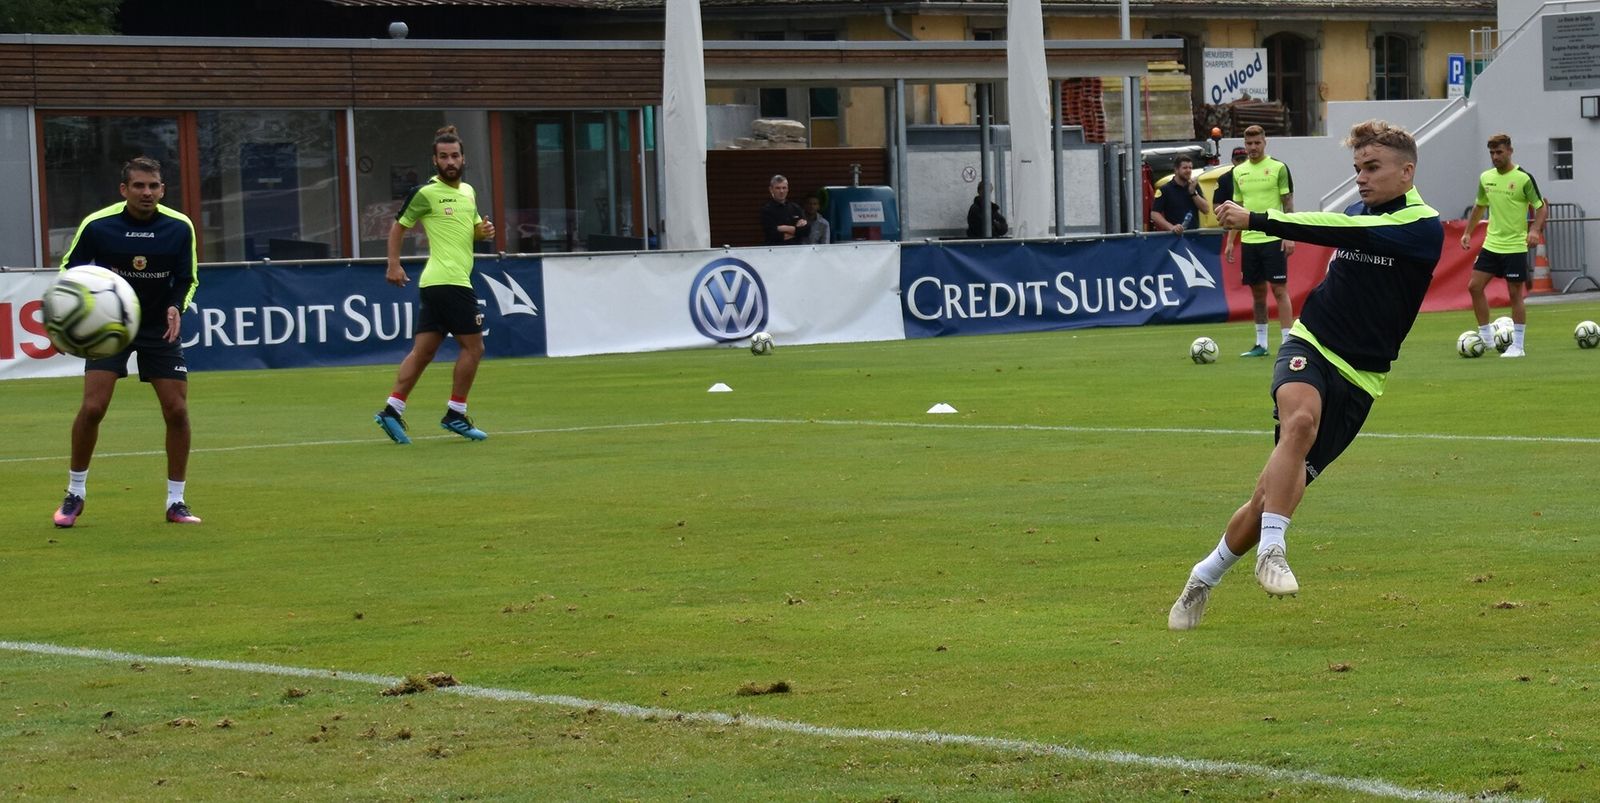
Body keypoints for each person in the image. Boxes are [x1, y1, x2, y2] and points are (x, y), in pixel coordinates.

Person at [1168, 119, 1444, 630]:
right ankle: (1273, 549)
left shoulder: (1421, 225)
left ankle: (1203, 576)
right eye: (1357, 168)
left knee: (1264, 496)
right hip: (1311, 341)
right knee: (1299, 424)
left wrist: (1257, 218)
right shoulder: (1363, 209)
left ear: (1407, 172)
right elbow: (1341, 227)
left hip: (1362, 377)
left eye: (1372, 168)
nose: (1361, 178)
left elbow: (1337, 229)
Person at [53, 156, 201, 527]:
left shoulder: (180, 227)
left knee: (178, 411)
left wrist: (175, 306)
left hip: (157, 328)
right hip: (110, 328)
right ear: (124, 189)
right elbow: (70, 273)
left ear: (162, 190)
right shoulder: (98, 225)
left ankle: (176, 501)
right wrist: (67, 323)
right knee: (92, 409)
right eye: (139, 186)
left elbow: (188, 278)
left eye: (153, 186)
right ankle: (74, 494)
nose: (147, 193)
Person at [374, 125, 497, 444]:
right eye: (443, 157)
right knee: (475, 347)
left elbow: (469, 231)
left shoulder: (468, 192)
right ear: (435, 160)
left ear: (463, 158)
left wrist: (481, 232)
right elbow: (398, 227)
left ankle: (391, 410)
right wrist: (394, 264)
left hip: (441, 283)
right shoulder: (425, 192)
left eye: (454, 155)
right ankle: (456, 413)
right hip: (449, 282)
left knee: (424, 351)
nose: (450, 161)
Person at [1461, 133, 1546, 358]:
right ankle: (1487, 338)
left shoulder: (1523, 179)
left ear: (1510, 151)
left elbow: (1541, 206)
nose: (1495, 157)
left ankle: (1518, 346)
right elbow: (1480, 206)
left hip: (1515, 246)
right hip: (1492, 244)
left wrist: (1535, 229)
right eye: (1491, 153)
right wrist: (1468, 233)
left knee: (1514, 294)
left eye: (1499, 152)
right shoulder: (1486, 178)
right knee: (1474, 287)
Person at [1224, 126, 1296, 357]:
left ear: (1265, 143)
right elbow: (1236, 209)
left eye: (1257, 143)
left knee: (1279, 290)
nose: (1253, 148)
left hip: (1273, 237)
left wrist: (1290, 235)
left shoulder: (1278, 168)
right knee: (1257, 292)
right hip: (1249, 240)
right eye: (1249, 144)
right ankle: (1261, 344)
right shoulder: (1238, 172)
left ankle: (1287, 342)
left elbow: (1288, 204)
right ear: (1244, 145)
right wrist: (1230, 241)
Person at [1150, 154, 1212, 235]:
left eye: (1190, 168)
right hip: (1175, 238)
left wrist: (1193, 193)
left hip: (1194, 238)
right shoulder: (1165, 189)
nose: (1188, 170)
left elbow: (1206, 209)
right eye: (1185, 168)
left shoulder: (1194, 186)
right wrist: (1171, 227)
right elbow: (1154, 214)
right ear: (1176, 170)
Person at [760, 175, 807, 245]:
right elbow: (772, 235)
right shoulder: (766, 210)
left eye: (784, 188)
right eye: (778, 188)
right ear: (771, 189)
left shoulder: (796, 208)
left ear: (788, 189)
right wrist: (796, 231)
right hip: (775, 251)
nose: (781, 191)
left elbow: (806, 231)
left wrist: (782, 228)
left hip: (796, 250)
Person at [1211, 146, 1248, 210]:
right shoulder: (1224, 179)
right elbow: (1216, 206)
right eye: (1238, 160)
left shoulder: (1255, 176)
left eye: (1243, 160)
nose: (1241, 163)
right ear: (1232, 161)